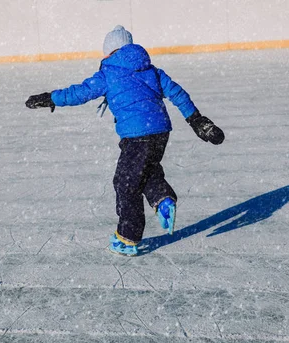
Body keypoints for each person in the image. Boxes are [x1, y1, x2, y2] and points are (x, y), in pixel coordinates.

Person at [26, 25, 224, 256]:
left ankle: (128, 237)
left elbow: (78, 93)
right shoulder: (151, 69)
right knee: (145, 170)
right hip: (160, 131)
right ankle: (163, 200)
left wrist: (51, 98)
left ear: (110, 52)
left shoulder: (108, 74)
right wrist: (196, 120)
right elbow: (178, 93)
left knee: (126, 183)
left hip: (136, 135)